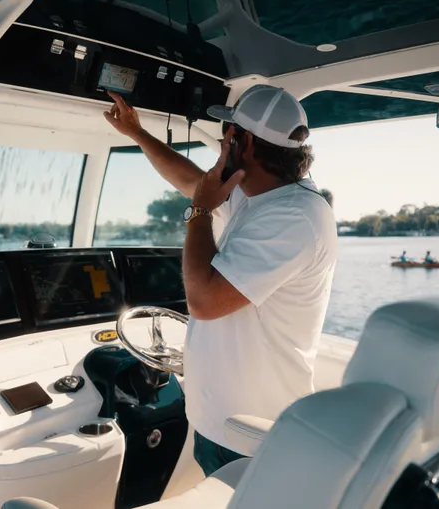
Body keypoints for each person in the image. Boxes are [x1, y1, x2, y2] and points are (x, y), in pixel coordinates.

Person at [103, 85, 338, 476]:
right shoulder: (263, 196)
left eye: (227, 134)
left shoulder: (292, 217)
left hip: (249, 436)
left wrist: (199, 213)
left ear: (242, 141)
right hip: (223, 425)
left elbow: (204, 302)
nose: (223, 142)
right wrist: (137, 134)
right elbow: (191, 179)